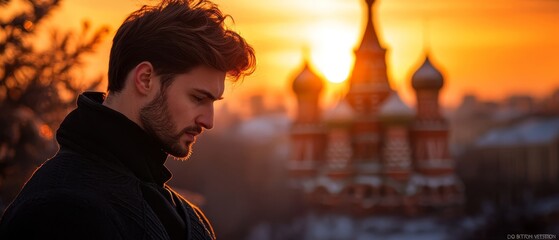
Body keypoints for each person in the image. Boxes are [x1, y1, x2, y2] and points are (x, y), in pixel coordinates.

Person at [0, 0, 255, 239]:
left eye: (213, 102)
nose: (209, 120)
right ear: (145, 79)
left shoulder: (188, 217)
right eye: (198, 98)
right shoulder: (60, 208)